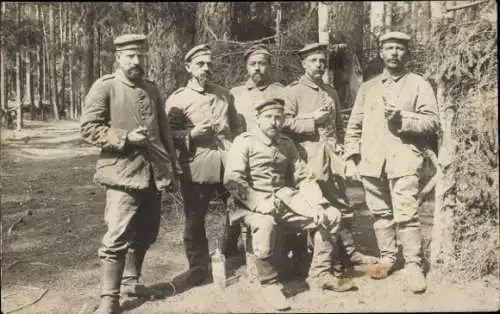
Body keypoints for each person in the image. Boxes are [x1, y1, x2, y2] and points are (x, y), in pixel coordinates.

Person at [224, 98, 355, 311]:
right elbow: (232, 179)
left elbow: (303, 177)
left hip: (285, 201)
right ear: (257, 119)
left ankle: (320, 273)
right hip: (248, 204)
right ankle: (268, 283)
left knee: (331, 215)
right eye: (268, 117)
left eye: (278, 117)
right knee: (265, 224)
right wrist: (258, 203)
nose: (274, 122)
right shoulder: (244, 141)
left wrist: (317, 204)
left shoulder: (286, 143)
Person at [81, 34, 180, 314]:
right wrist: (125, 137)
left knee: (147, 233)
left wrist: (171, 166)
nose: (137, 61)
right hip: (122, 175)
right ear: (118, 58)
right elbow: (88, 128)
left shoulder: (152, 88)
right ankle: (109, 299)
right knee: (116, 236)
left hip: (153, 174)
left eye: (141, 56)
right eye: (130, 56)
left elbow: (164, 133)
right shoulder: (105, 87)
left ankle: (131, 283)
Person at [344, 31, 439, 293]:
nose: (394, 53)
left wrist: (403, 118)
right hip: (372, 162)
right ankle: (387, 257)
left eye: (399, 48)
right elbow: (354, 126)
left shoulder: (418, 84)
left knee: (406, 215)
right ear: (381, 53)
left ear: (406, 53)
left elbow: (432, 122)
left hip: (405, 159)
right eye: (389, 48)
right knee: (380, 214)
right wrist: (352, 158)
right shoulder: (368, 88)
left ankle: (414, 266)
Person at [283, 43, 378, 269]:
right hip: (307, 159)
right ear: (303, 64)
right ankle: (315, 259)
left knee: (342, 203)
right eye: (313, 61)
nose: (319, 65)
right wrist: (310, 120)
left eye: (322, 61)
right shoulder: (292, 92)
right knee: (315, 207)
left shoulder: (331, 92)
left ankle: (349, 254)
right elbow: (283, 125)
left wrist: (343, 148)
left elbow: (339, 127)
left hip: (333, 158)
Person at [165, 44, 241, 286]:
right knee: (195, 220)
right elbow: (167, 134)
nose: (206, 68)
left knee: (240, 209)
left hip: (228, 164)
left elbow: (237, 126)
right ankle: (198, 267)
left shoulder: (224, 94)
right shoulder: (178, 99)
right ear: (188, 67)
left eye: (209, 63)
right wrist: (191, 134)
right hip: (197, 166)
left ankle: (232, 250)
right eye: (200, 64)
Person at [221, 43, 285, 259]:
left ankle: (275, 250)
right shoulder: (235, 94)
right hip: (242, 154)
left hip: (271, 155)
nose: (257, 68)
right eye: (253, 64)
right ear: (246, 67)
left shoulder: (281, 91)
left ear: (269, 66)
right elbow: (228, 125)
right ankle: (229, 248)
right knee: (237, 199)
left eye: (262, 64)